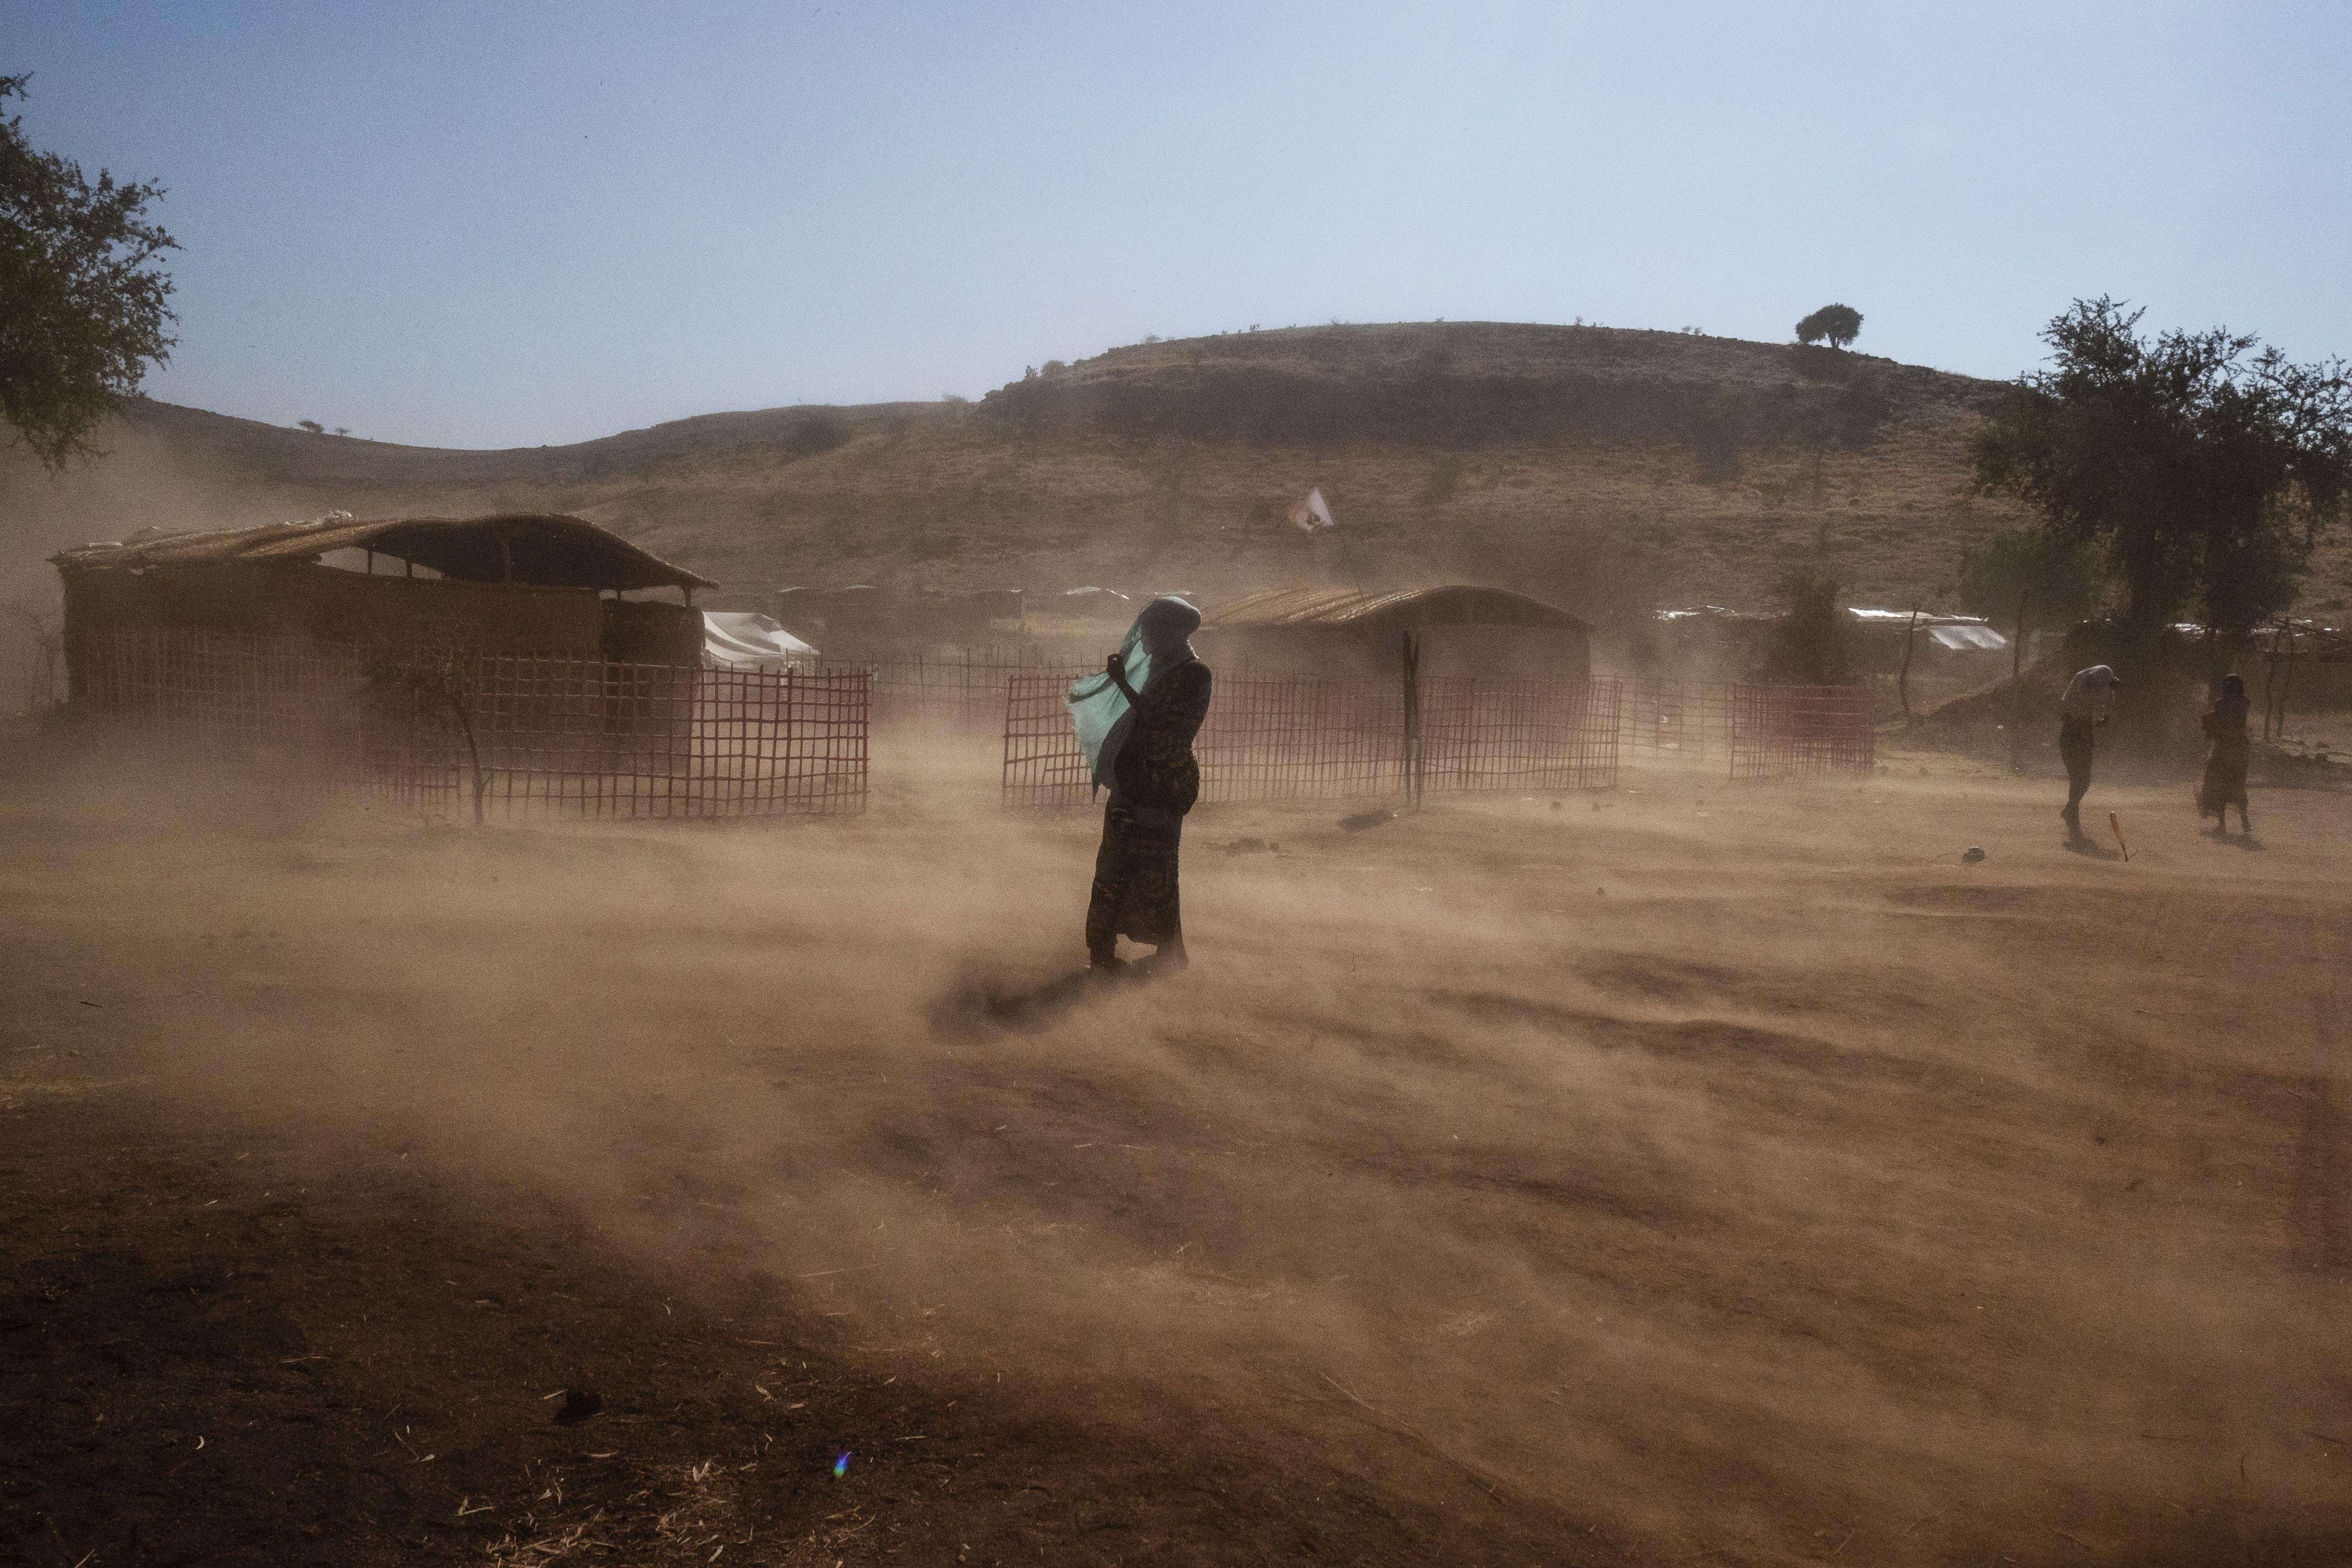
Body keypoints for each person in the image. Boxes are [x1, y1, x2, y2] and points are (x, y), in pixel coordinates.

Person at [1074, 598, 1213, 973]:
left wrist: (1122, 685)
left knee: (1157, 868)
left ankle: (1167, 950)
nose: (1146, 638)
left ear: (1171, 633)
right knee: (1114, 864)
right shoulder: (1156, 672)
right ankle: (1102, 951)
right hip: (1137, 781)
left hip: (1161, 785)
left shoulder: (1195, 675)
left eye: (1153, 630)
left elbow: (1163, 723)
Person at [2057, 663, 2119, 833]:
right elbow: (2088, 699)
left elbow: (2105, 703)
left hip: (2080, 735)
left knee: (2082, 780)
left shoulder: (2088, 682)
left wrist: (2107, 711)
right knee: (2079, 779)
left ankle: (2071, 810)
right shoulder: (2084, 688)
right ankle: (2072, 813)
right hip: (2074, 736)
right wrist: (2107, 692)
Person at [2197, 672, 2252, 835]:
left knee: (2216, 784)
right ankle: (2244, 820)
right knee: (2238, 784)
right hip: (2240, 749)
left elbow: (2219, 723)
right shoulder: (2245, 702)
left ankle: (2222, 825)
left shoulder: (2221, 703)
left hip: (2224, 748)